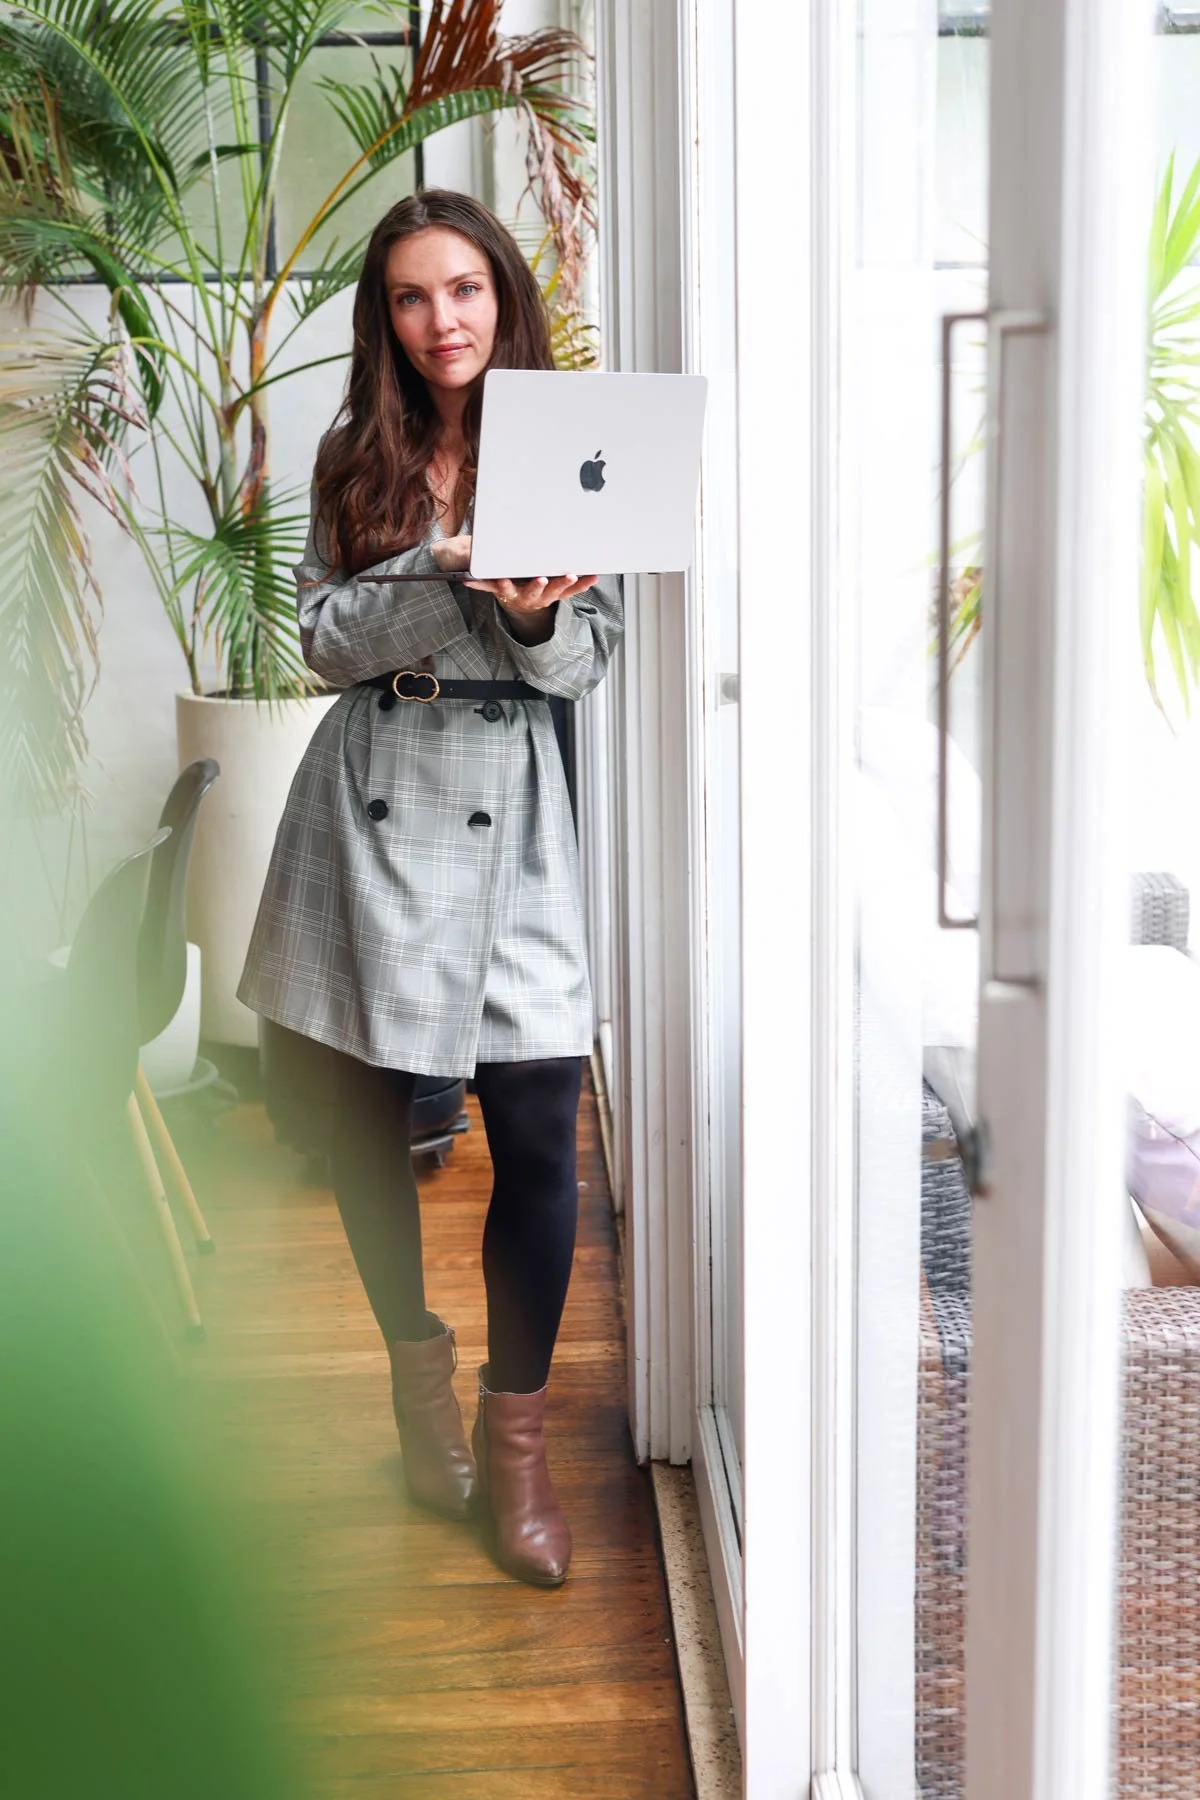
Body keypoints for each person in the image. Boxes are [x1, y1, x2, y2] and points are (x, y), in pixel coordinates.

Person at [238, 190, 623, 1589]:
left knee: (536, 1124)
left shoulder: (579, 443)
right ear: (384, 319)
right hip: (371, 791)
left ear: (500, 294)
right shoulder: (358, 449)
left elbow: (589, 662)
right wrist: (445, 565)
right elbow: (323, 639)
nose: (440, 320)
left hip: (514, 809)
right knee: (359, 1118)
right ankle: (418, 1383)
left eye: (461, 289)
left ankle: (513, 1447)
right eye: (411, 297)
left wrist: (529, 611)